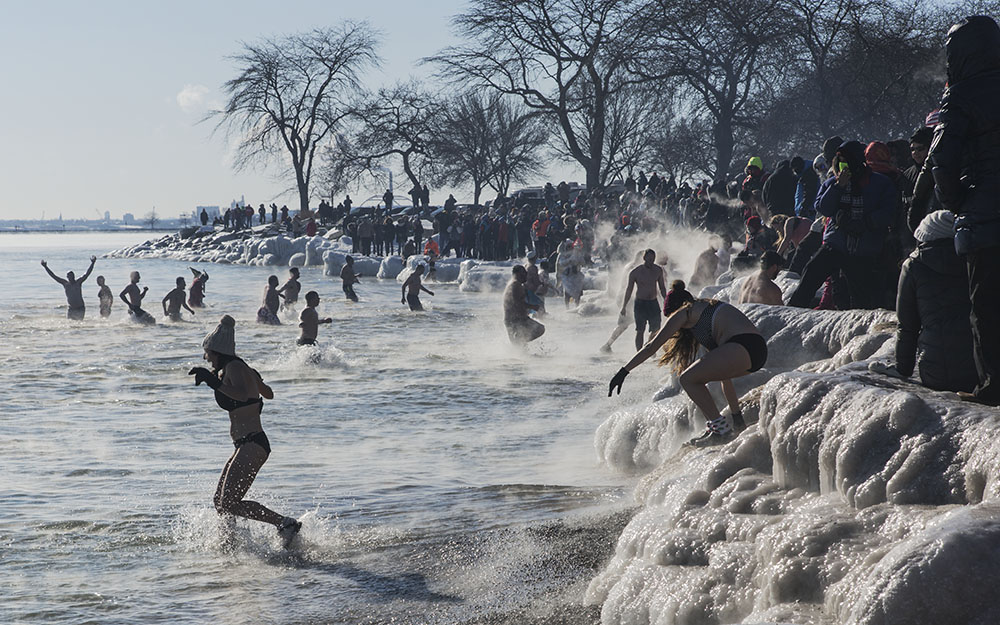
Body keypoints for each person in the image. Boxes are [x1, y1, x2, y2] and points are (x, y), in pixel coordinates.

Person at [913, 16, 1000, 406]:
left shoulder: (962, 94)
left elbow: (941, 160)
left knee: (986, 307)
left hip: (986, 218)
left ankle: (993, 388)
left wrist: (958, 202)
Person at [187, 315, 301, 544]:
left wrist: (215, 383)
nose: (205, 357)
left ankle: (284, 523)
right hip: (246, 444)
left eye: (207, 353)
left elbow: (243, 395)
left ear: (218, 352)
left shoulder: (236, 367)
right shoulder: (238, 368)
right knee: (220, 502)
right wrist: (252, 378)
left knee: (228, 502)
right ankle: (230, 545)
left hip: (253, 443)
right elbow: (267, 393)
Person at [609, 282, 766, 447]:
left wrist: (624, 371)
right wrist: (737, 417)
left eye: (671, 319)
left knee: (687, 379)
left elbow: (650, 347)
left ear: (674, 311)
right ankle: (718, 427)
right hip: (755, 352)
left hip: (743, 345)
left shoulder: (685, 311)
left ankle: (721, 430)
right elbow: (724, 379)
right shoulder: (707, 313)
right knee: (695, 378)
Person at [872, 211, 978, 393]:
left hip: (937, 372)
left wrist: (903, 368)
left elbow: (907, 326)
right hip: (980, 371)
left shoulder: (914, 266)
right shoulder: (976, 261)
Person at [787, 140, 896, 309]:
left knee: (861, 295)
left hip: (863, 248)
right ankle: (793, 310)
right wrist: (838, 187)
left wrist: (866, 222)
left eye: (846, 160)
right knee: (812, 272)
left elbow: (889, 212)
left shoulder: (880, 183)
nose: (842, 165)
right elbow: (823, 207)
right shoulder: (832, 183)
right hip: (836, 243)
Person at [620, 249, 667, 351]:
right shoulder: (635, 272)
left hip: (653, 303)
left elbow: (662, 288)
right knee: (640, 330)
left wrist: (666, 300)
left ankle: (649, 347)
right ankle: (638, 353)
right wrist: (624, 306)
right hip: (640, 303)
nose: (651, 261)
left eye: (653, 259)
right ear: (644, 258)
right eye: (649, 259)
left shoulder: (658, 270)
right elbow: (629, 290)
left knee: (656, 329)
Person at [41, 256, 96, 320]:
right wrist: (45, 267)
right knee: (70, 324)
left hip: (80, 308)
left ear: (74, 276)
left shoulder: (78, 282)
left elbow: (87, 274)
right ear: (67, 277)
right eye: (69, 276)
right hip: (71, 308)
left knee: (79, 324)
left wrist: (92, 263)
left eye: (72, 275)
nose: (71, 277)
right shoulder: (65, 284)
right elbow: (54, 276)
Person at [503, 265, 545, 344]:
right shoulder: (515, 285)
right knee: (540, 329)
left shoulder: (514, 284)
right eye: (524, 273)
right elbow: (517, 303)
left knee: (521, 349)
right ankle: (519, 341)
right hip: (516, 320)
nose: (526, 276)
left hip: (514, 319)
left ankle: (519, 343)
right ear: (518, 274)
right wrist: (533, 307)